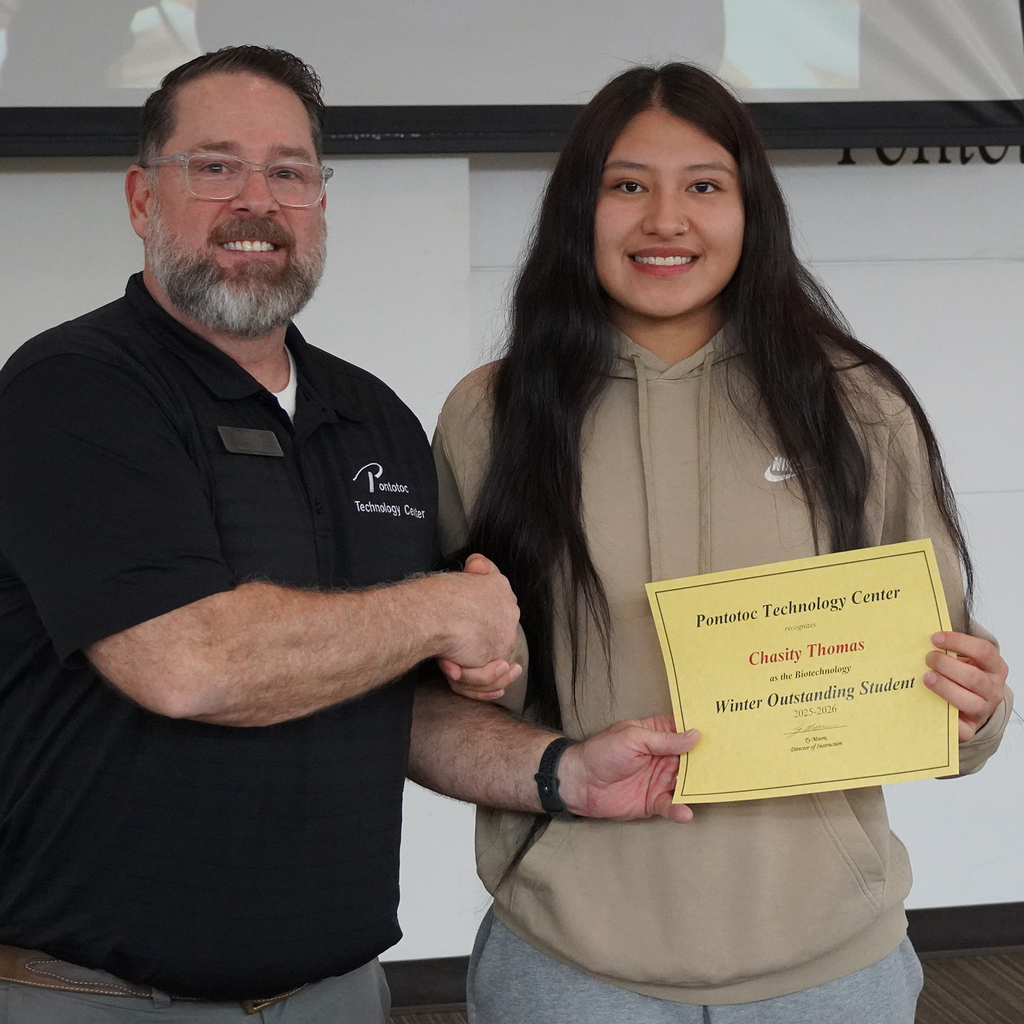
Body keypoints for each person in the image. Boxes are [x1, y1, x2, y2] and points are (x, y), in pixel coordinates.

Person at [0, 46, 702, 1023]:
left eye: (289, 171)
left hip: (335, 992)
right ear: (139, 198)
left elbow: (394, 704)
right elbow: (185, 663)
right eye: (214, 166)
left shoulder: (370, 418)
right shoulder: (73, 392)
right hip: (99, 996)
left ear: (319, 203)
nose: (257, 199)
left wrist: (559, 772)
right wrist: (439, 606)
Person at [429, 63, 1012, 1023]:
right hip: (571, 965)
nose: (667, 220)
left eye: (705, 185)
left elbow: (949, 685)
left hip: (831, 965)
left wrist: (975, 706)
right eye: (627, 186)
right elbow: (462, 682)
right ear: (581, 209)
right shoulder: (493, 414)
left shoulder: (857, 405)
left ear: (753, 212)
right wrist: (469, 672)